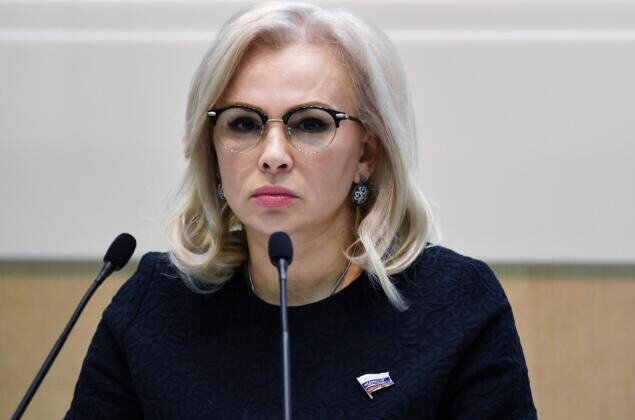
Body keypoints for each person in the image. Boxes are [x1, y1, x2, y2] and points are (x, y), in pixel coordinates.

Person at [65, 2, 536, 419]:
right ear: (211, 150)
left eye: (310, 124)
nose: (273, 155)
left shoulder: (455, 307)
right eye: (243, 124)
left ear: (367, 153)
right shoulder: (155, 306)